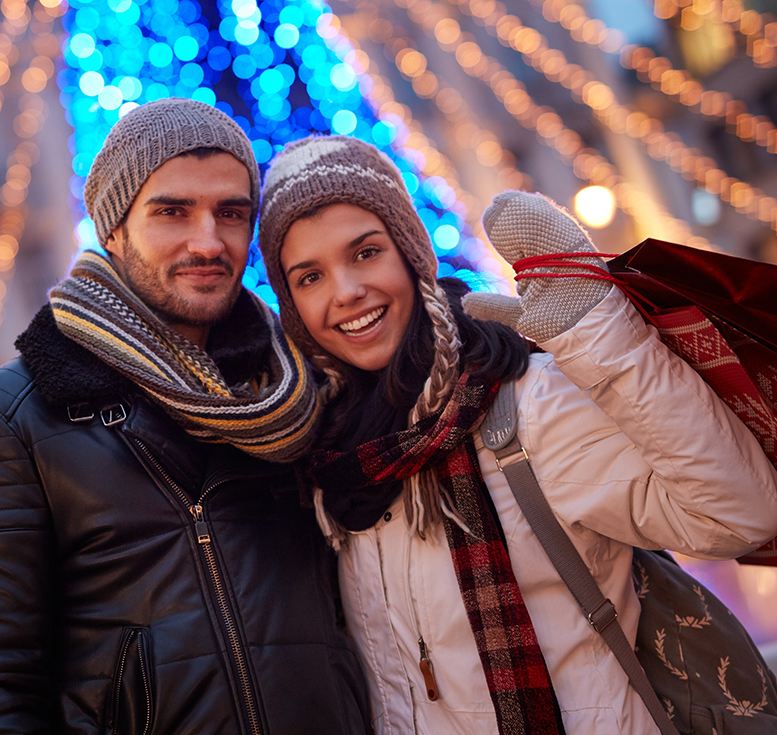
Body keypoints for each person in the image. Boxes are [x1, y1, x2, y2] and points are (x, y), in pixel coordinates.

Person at [257, 135, 777, 734]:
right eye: (310, 276)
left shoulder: (521, 402)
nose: (346, 291)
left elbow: (740, 512)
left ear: (410, 255)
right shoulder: (329, 468)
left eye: (366, 253)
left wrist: (599, 333)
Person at [0, 100, 373, 734]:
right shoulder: (2, 423)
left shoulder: (296, 394)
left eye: (232, 214)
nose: (208, 241)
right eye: (171, 212)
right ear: (113, 228)